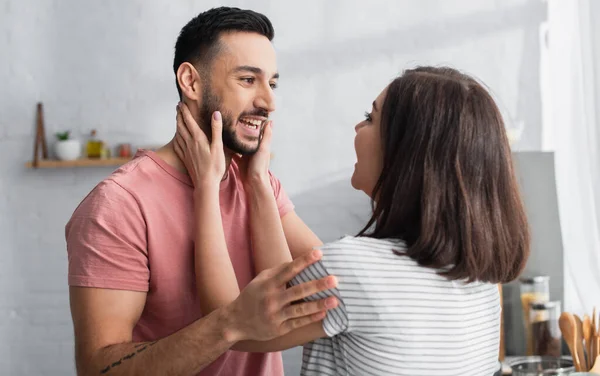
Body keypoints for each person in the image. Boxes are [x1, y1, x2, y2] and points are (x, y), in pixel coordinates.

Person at [175, 66, 531, 376]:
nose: (358, 126)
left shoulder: (358, 270)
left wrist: (207, 184)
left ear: (406, 153)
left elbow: (228, 322)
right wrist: (257, 182)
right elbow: (293, 278)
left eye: (371, 117)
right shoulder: (481, 285)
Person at [66, 7, 337, 376]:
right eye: (247, 80)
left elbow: (323, 288)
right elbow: (98, 368)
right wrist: (229, 325)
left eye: (271, 84)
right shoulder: (119, 204)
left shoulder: (259, 181)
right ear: (191, 82)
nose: (268, 102)